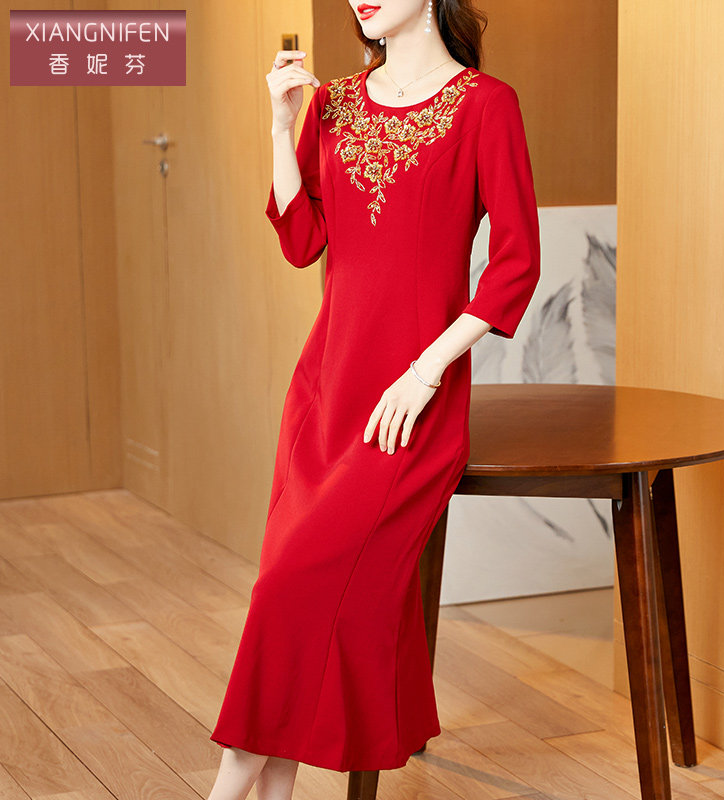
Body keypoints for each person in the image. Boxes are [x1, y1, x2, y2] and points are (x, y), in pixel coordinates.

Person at [206, 0, 540, 797]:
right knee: (289, 590)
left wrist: (428, 371)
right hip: (325, 388)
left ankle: (226, 787)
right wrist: (281, 124)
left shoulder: (487, 106)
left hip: (408, 403)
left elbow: (516, 262)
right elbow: (303, 241)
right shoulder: (334, 103)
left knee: (292, 588)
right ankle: (270, 790)